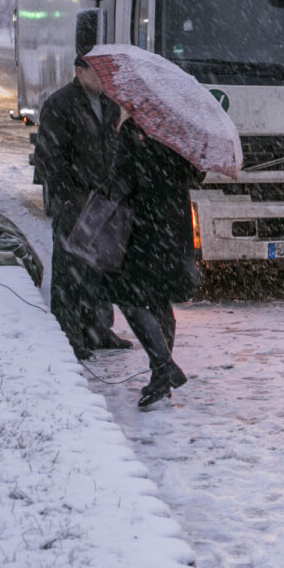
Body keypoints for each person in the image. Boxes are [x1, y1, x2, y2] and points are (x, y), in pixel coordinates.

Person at [34, 51, 132, 360]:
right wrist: (68, 197)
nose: (105, 80)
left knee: (99, 271)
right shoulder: (60, 104)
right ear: (80, 72)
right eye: (99, 73)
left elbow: (115, 150)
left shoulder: (109, 104)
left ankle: (98, 331)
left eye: (108, 74)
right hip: (75, 203)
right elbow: (48, 158)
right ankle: (69, 335)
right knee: (69, 272)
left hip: (104, 202)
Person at [105, 112, 203, 408]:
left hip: (144, 225)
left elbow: (121, 179)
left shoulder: (134, 129)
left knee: (130, 297)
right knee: (160, 298)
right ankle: (161, 374)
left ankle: (162, 367)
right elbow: (198, 175)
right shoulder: (185, 129)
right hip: (175, 224)